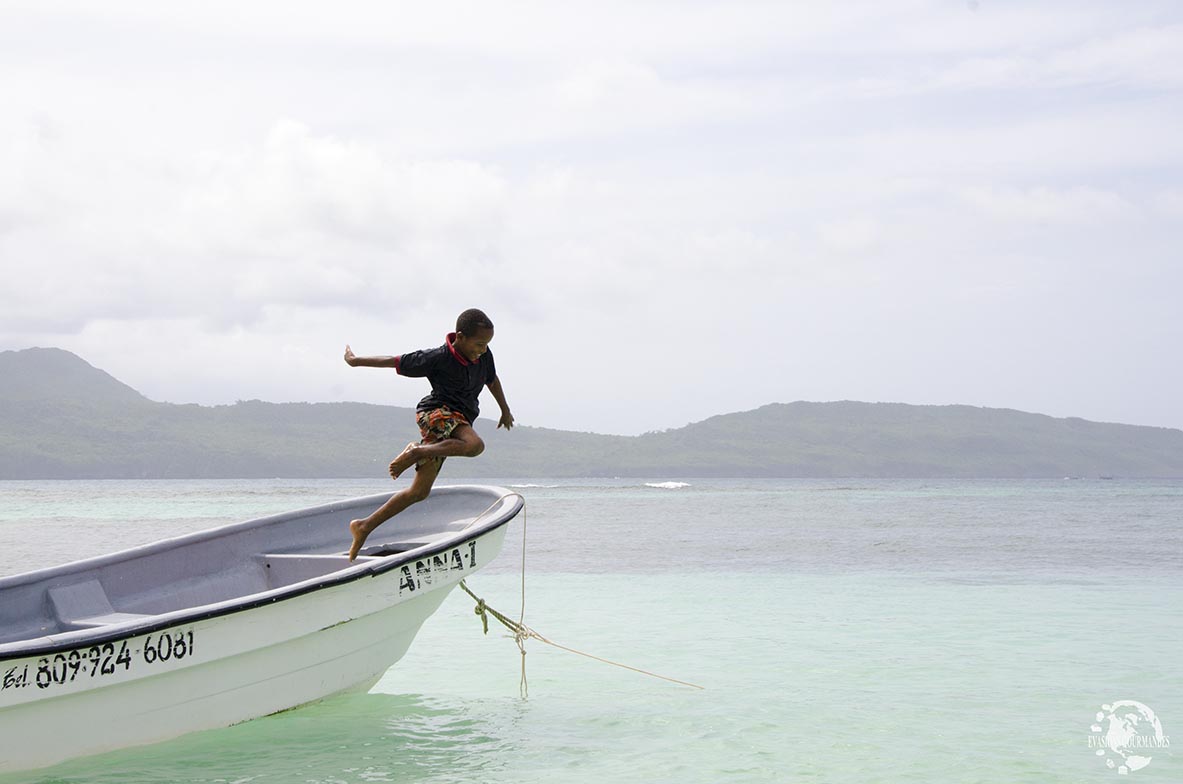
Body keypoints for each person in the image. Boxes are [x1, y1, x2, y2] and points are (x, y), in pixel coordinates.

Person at [342, 308, 514, 560]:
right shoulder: (437, 358)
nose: (483, 349)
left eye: (487, 344)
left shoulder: (484, 356)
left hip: (456, 422)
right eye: (478, 343)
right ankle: (417, 451)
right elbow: (394, 361)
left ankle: (364, 526)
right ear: (460, 337)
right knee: (474, 444)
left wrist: (505, 409)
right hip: (435, 413)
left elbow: (492, 380)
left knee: (419, 492)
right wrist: (356, 361)